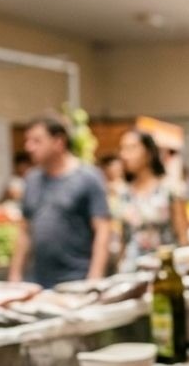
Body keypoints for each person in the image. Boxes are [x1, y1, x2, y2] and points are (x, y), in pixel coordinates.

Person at [8, 116, 112, 288]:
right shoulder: (32, 179)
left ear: (58, 142)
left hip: (76, 280)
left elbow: (103, 230)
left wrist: (94, 280)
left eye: (37, 141)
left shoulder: (88, 178)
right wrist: (15, 276)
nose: (28, 147)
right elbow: (25, 231)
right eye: (28, 141)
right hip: (38, 282)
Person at [116, 129, 188, 269]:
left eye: (131, 148)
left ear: (149, 153)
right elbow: (124, 239)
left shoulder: (170, 189)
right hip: (131, 271)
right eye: (122, 149)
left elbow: (183, 237)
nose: (124, 155)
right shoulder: (124, 193)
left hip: (164, 270)